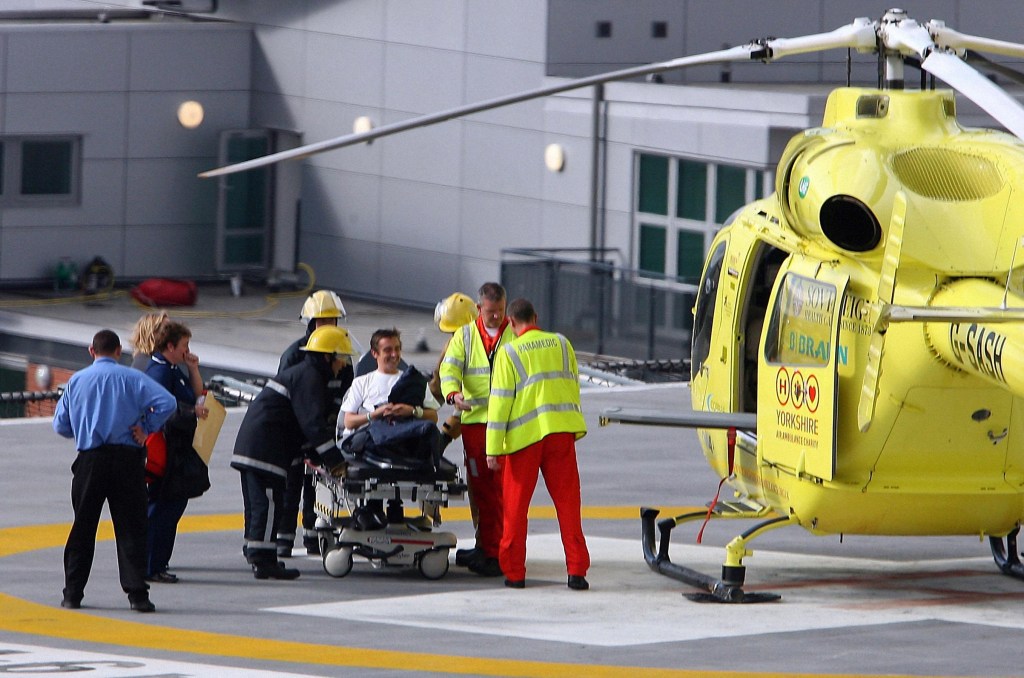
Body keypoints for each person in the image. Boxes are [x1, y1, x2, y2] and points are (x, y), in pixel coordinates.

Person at [53, 329, 176, 613]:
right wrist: (146, 428)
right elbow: (167, 403)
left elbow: (60, 425)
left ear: (91, 351)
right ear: (119, 351)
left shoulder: (77, 381)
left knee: (83, 527)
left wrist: (83, 428)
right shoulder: (132, 378)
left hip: (90, 459)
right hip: (127, 459)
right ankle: (137, 595)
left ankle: (73, 593)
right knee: (132, 527)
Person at [232, 324, 357, 580]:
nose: (343, 365)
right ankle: (263, 560)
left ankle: (259, 552)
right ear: (327, 356)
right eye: (341, 358)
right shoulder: (310, 377)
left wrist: (314, 453)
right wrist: (335, 461)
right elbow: (312, 424)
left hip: (260, 446)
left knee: (262, 504)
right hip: (264, 448)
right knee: (266, 504)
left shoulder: (305, 374)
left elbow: (302, 423)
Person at [485, 298, 590, 591]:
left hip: (525, 439)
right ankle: (577, 572)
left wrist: (493, 448)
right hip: (561, 433)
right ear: (536, 316)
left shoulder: (510, 352)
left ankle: (515, 574)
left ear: (510, 322)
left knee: (515, 510)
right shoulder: (561, 343)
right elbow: (572, 383)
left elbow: (500, 402)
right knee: (569, 506)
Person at [439, 282, 515, 577]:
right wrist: (452, 394)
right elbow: (450, 369)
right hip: (474, 423)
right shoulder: (466, 335)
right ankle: (487, 545)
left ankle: (496, 551)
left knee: (499, 490)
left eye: (499, 312)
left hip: (506, 423)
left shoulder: (515, 334)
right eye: (490, 312)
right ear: (479, 309)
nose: (495, 317)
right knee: (481, 488)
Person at [275, 290, 356, 557]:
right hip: (294, 432)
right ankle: (283, 542)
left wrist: (328, 434)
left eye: (331, 321)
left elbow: (345, 396)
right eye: (321, 321)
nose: (327, 326)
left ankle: (313, 538)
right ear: (310, 324)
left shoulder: (342, 353)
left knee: (317, 489)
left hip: (322, 432)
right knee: (290, 488)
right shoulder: (295, 356)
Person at [339, 328, 442, 527]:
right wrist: (374, 415)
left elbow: (433, 416)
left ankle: (393, 506)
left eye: (397, 349)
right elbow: (348, 422)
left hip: (405, 438)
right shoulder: (362, 383)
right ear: (374, 353)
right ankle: (375, 507)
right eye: (388, 350)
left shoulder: (414, 381)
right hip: (376, 435)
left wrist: (411, 411)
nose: (394, 355)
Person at [144, 321, 209, 584]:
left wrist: (192, 368)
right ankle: (151, 563)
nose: (187, 350)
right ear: (170, 346)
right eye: (184, 345)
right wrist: (191, 413)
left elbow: (195, 395)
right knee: (163, 506)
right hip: (168, 449)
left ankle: (158, 560)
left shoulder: (173, 369)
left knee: (173, 504)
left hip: (179, 446)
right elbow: (161, 410)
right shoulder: (160, 373)